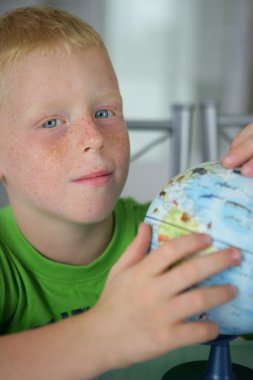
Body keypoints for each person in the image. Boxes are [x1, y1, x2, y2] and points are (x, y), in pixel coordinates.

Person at [0, 5, 251, 379]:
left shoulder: (183, 231)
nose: (93, 138)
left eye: (105, 112)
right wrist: (100, 337)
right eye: (51, 122)